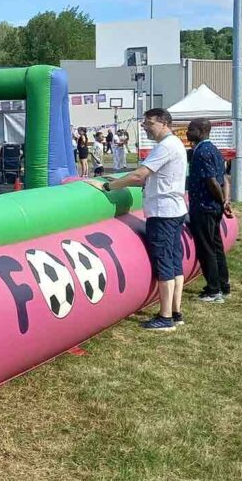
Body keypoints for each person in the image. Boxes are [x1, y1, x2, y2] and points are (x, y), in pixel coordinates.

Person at [90, 108, 187, 331]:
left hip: (163, 213)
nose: (145, 127)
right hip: (173, 209)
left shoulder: (165, 146)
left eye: (149, 123)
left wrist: (108, 186)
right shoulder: (175, 145)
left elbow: (138, 175)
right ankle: (175, 311)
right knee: (174, 261)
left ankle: (165, 318)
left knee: (164, 263)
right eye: (144, 123)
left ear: (164, 123)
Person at [186, 118, 234, 304]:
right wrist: (226, 201)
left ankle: (214, 291)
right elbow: (225, 180)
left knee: (207, 249)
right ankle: (223, 285)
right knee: (217, 247)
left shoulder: (202, 152)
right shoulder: (214, 149)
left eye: (190, 129)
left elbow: (212, 182)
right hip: (214, 207)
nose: (188, 132)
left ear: (200, 131)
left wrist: (222, 201)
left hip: (204, 207)